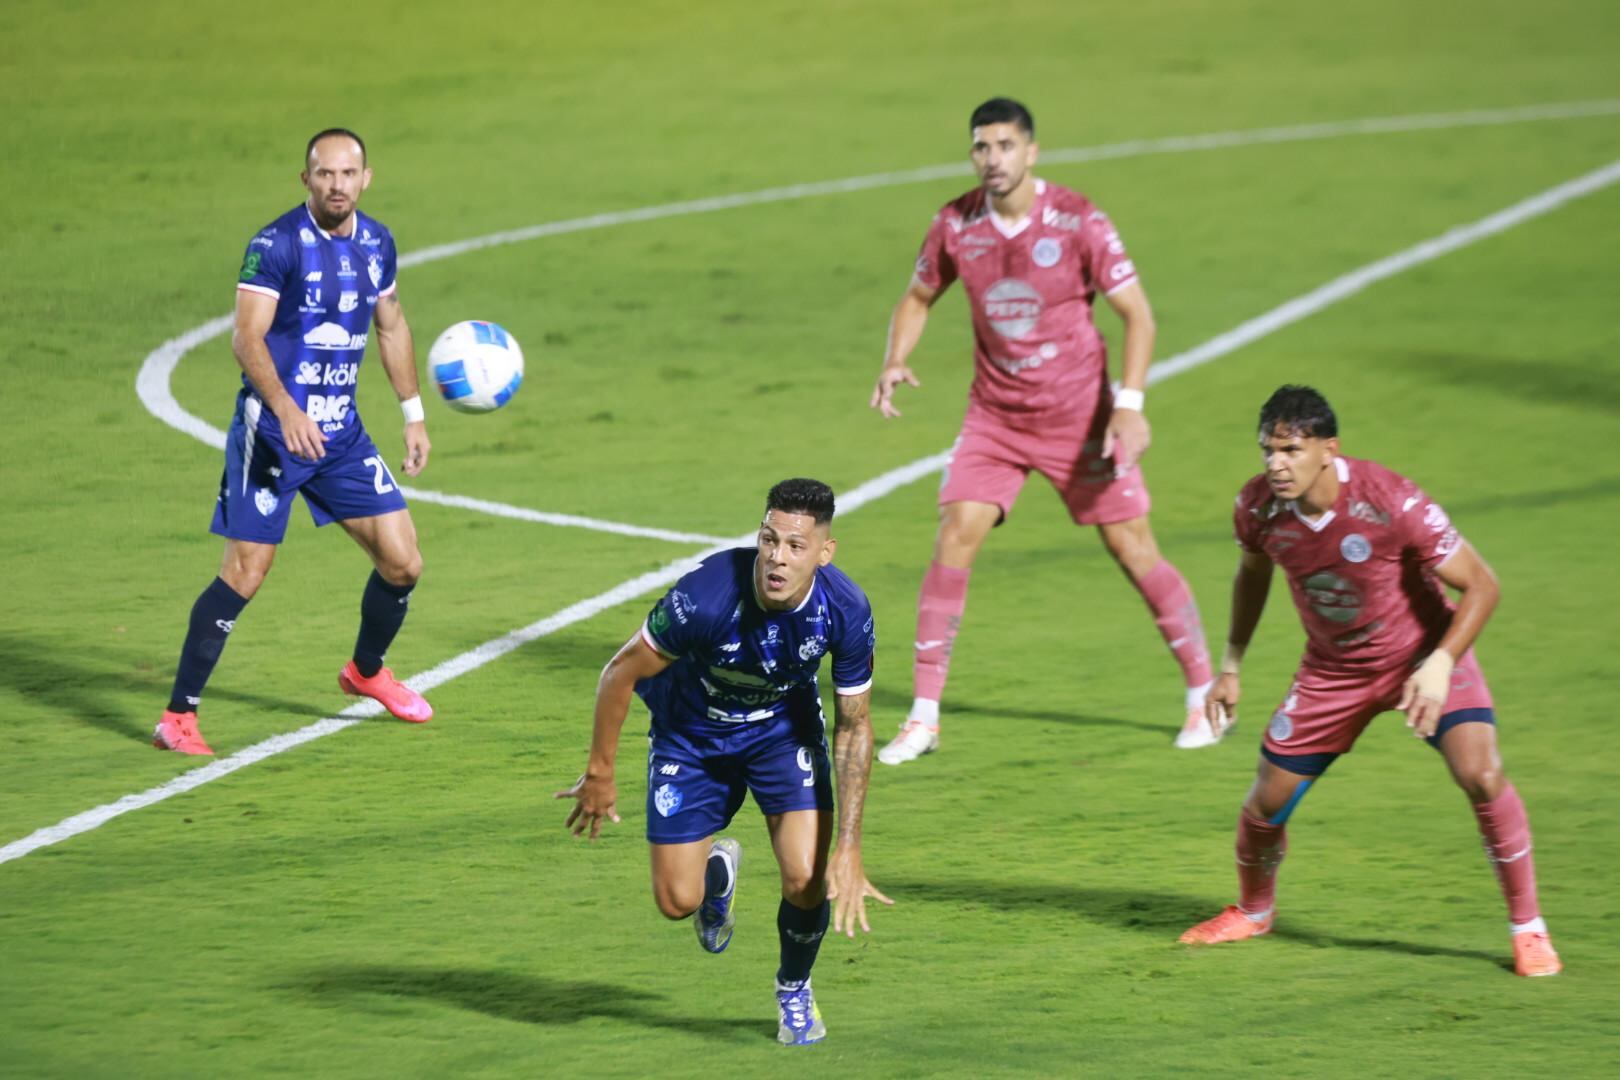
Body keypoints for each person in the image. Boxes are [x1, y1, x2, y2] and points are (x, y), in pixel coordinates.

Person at [869, 97, 1217, 764]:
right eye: (981, 147)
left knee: (1133, 548)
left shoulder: (1079, 221)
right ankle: (923, 716)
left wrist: (1130, 403)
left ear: (1032, 152)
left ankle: (1203, 692)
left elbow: (1137, 315)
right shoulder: (955, 224)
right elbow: (918, 296)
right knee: (955, 533)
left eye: (1004, 146)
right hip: (995, 417)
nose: (992, 159)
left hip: (1080, 417)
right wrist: (896, 358)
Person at [1178, 385, 1560, 977]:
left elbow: (1482, 585)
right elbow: (1251, 576)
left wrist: (1440, 662)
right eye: (1267, 451)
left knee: (1481, 775)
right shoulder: (1257, 508)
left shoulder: (1391, 501)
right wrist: (1230, 665)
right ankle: (1254, 911)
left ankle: (1528, 928)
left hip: (1426, 658)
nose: (1277, 464)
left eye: (1291, 450)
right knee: (1265, 804)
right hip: (1333, 672)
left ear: (1328, 448)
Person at [555, 478, 891, 1045]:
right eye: (769, 540)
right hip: (691, 735)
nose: (776, 559)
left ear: (824, 553)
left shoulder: (845, 610)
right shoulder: (707, 595)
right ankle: (715, 875)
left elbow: (855, 727)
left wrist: (851, 844)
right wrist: (600, 773)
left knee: (807, 880)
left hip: (781, 736)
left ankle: (793, 990)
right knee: (675, 903)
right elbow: (620, 672)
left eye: (794, 546)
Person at [154, 128, 434, 756]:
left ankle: (365, 672)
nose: (336, 184)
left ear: (366, 178)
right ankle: (178, 716)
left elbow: (391, 326)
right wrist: (285, 408)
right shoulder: (275, 244)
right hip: (274, 436)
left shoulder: (377, 243)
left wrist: (412, 414)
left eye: (348, 173)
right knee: (246, 571)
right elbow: (245, 339)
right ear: (304, 179)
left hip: (341, 435)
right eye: (324, 173)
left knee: (403, 561)